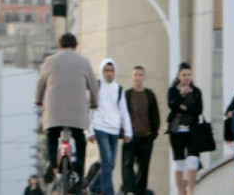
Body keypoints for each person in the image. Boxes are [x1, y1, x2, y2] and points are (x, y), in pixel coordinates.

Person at [35, 33, 100, 193]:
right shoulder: (84, 62)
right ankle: (78, 174)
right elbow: (93, 84)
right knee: (79, 139)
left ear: (59, 45)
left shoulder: (49, 61)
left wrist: (38, 100)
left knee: (51, 134)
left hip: (54, 110)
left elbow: (40, 83)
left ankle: (52, 162)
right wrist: (94, 102)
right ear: (76, 46)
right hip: (77, 111)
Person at [85, 58, 132, 195]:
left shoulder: (119, 90)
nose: (109, 73)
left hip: (114, 129)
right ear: (102, 71)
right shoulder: (96, 86)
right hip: (100, 127)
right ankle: (108, 191)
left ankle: (94, 186)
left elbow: (124, 111)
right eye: (106, 70)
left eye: (112, 70)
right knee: (107, 160)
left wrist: (128, 131)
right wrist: (89, 131)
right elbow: (88, 109)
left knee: (111, 163)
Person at [121, 65, 160, 195]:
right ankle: (130, 190)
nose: (138, 77)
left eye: (140, 74)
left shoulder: (149, 95)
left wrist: (153, 133)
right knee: (127, 164)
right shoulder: (127, 95)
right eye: (135, 75)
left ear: (144, 77)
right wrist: (123, 132)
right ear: (132, 77)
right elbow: (122, 114)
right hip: (130, 136)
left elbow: (155, 114)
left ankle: (141, 191)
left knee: (144, 167)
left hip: (146, 136)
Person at [167, 62, 202, 195]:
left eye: (189, 74)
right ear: (179, 76)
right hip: (177, 130)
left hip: (193, 130)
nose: (187, 77)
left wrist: (185, 108)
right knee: (179, 162)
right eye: (184, 75)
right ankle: (181, 192)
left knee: (193, 161)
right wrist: (181, 95)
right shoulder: (173, 91)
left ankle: (191, 191)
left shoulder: (196, 91)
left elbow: (198, 110)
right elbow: (173, 107)